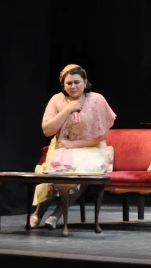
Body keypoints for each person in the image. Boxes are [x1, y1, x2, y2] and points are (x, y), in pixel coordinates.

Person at [30, 64, 117, 229]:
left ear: (85, 82)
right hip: (61, 147)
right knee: (52, 175)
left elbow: (101, 136)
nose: (73, 86)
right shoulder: (57, 100)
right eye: (68, 83)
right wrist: (68, 109)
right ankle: (38, 214)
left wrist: (73, 144)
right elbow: (47, 130)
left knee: (82, 171)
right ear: (63, 85)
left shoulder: (97, 99)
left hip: (91, 148)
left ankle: (57, 215)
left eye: (77, 82)